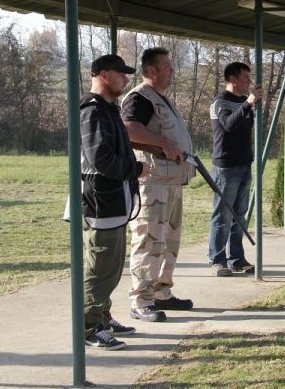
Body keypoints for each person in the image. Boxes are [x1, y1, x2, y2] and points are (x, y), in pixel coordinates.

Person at [74, 54, 150, 350]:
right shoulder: (91, 110)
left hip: (112, 202)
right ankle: (90, 327)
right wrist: (136, 169)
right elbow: (101, 160)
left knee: (112, 266)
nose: (126, 79)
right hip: (100, 202)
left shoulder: (107, 109)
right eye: (121, 74)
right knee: (100, 268)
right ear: (104, 75)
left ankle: (102, 317)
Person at [121, 48, 195, 320]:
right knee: (149, 240)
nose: (171, 70)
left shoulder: (161, 99)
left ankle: (161, 293)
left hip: (171, 182)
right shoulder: (140, 97)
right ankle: (141, 299)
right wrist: (163, 142)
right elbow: (128, 127)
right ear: (151, 70)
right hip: (152, 183)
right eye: (167, 66)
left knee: (169, 241)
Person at [207, 62, 263, 276]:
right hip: (225, 167)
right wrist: (249, 102)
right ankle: (217, 259)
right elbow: (229, 124)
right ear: (232, 79)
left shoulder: (243, 103)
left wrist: (249, 104)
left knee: (240, 215)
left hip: (244, 165)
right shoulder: (220, 102)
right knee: (222, 215)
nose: (249, 81)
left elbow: (246, 127)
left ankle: (237, 259)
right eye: (245, 77)